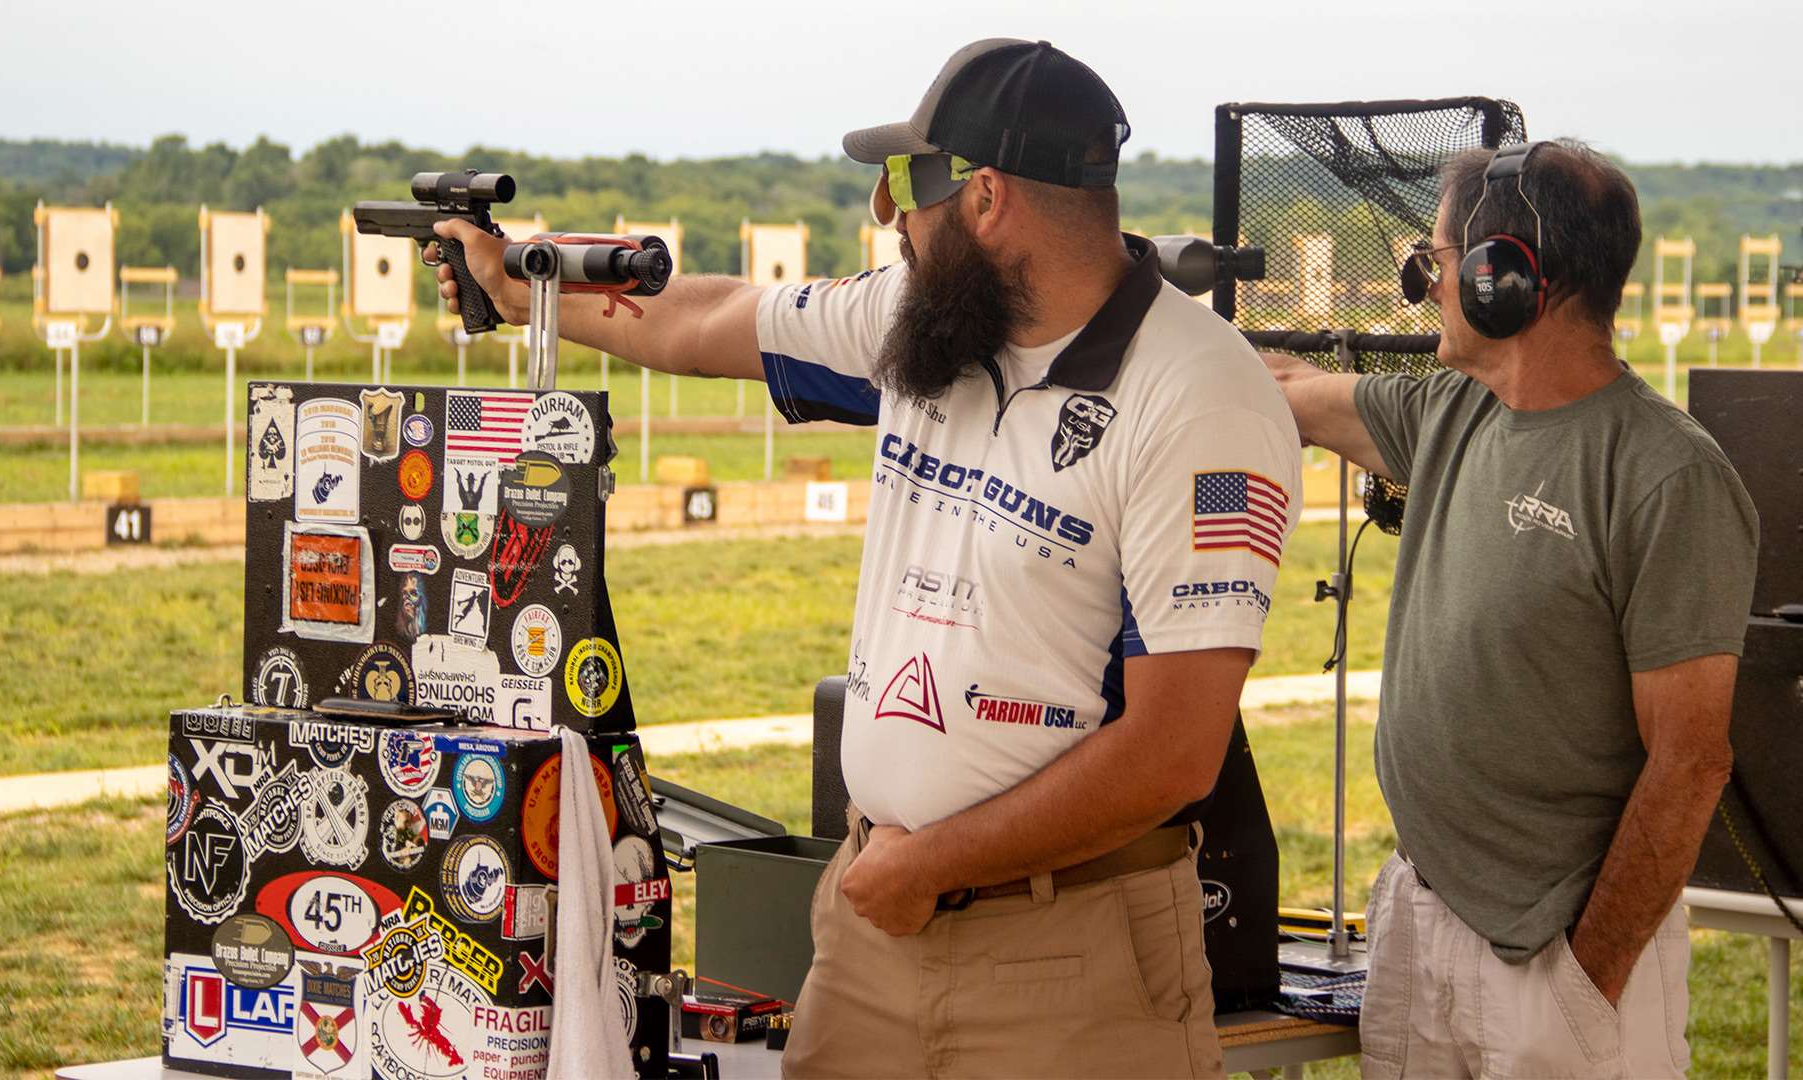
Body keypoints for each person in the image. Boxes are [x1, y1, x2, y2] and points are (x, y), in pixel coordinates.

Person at [435, 38, 1301, 1077]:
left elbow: (1173, 752)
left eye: (901, 183)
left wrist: (930, 862)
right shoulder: (922, 324)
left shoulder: (1199, 393)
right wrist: (523, 287)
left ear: (984, 199)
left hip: (1077, 953)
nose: (888, 219)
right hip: (878, 932)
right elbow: (707, 316)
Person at [1262, 139, 1757, 1078]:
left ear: (1505, 280)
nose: (1427, 285)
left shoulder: (1665, 473)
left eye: (1440, 263)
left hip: (1558, 957)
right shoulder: (1453, 412)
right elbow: (1288, 393)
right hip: (1424, 918)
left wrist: (1585, 979)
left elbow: (1691, 761)